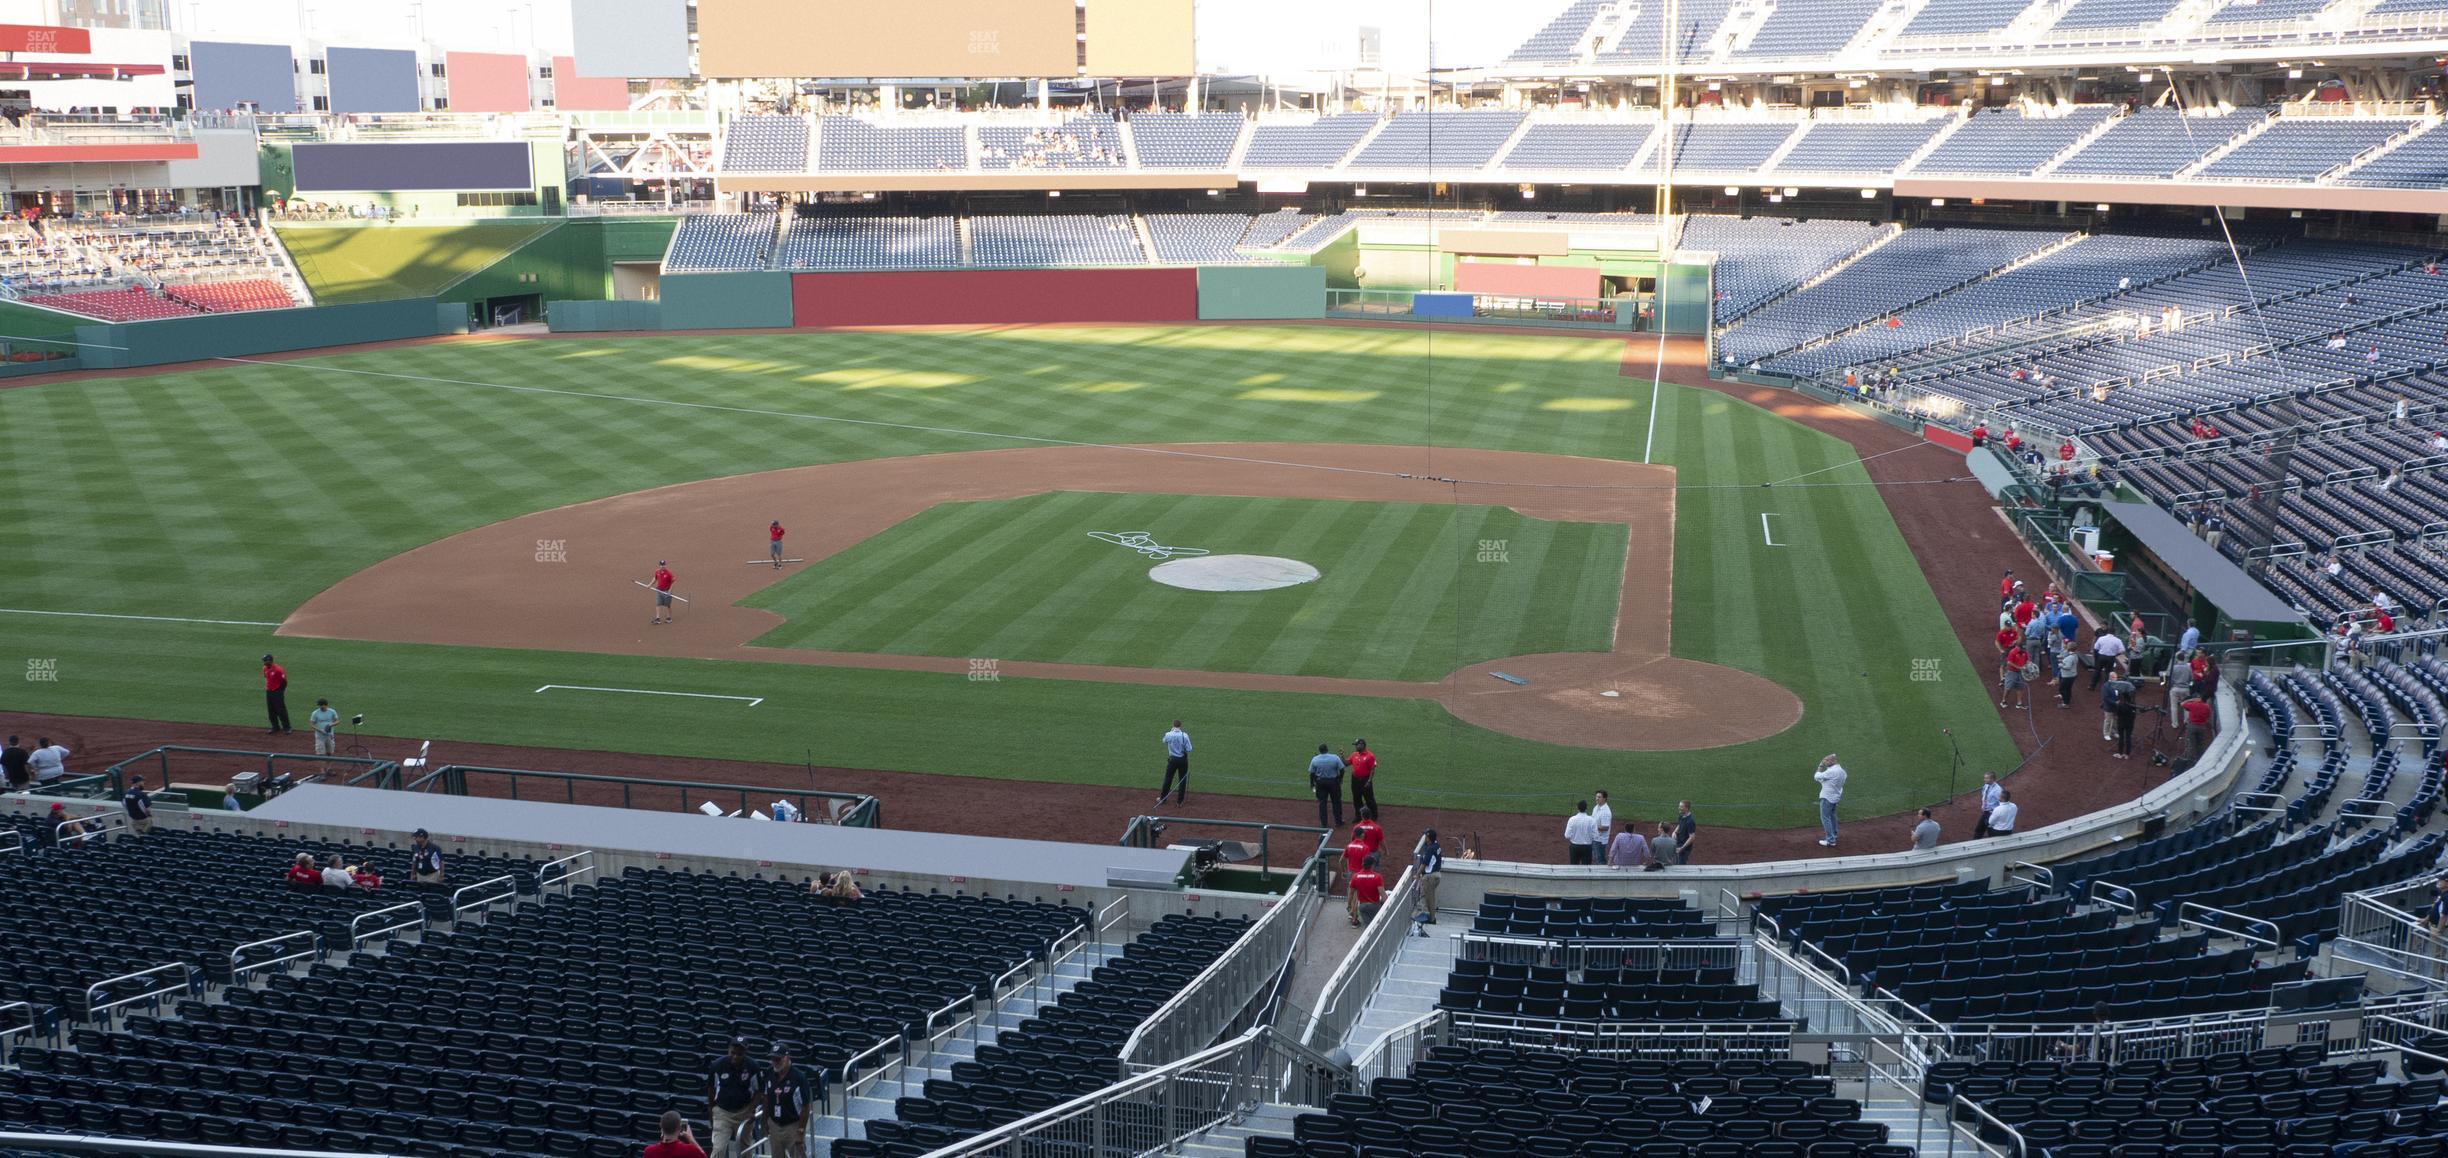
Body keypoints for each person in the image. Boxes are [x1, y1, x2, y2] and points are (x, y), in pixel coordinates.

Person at [706, 1037, 762, 1158]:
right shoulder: (717, 1066)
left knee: (746, 1150)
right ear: (728, 1050)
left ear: (745, 1053)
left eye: (739, 1054)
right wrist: (712, 1107)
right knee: (718, 1149)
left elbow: (759, 1092)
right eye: (733, 1053)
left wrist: (751, 1110)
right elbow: (711, 1088)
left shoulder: (753, 1067)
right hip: (723, 1113)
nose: (735, 1056)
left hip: (744, 1112)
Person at [762, 1045, 817, 1158]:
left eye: (779, 1058)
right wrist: (764, 1121)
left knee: (798, 1155)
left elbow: (806, 1107)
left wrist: (800, 1132)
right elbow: (766, 1098)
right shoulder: (769, 1073)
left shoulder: (798, 1078)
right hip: (774, 1124)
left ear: (787, 1057)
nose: (775, 1062)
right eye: (773, 1059)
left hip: (793, 1125)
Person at [1308, 744, 1347, 829]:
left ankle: (1324, 824)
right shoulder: (1335, 757)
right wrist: (1340, 778)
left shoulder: (1315, 759)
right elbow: (1342, 769)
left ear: (1320, 750)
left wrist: (1312, 783)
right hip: (1333, 782)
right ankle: (1338, 821)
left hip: (1320, 783)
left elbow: (1311, 773)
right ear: (1327, 749)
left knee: (1322, 803)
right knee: (1336, 802)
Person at [1814, 755, 1846, 848]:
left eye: (1826, 761)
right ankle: (1834, 835)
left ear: (1832, 761)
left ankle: (1831, 840)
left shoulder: (1831, 772)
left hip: (1827, 797)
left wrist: (1820, 766)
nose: (1825, 762)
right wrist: (1823, 781)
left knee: (1825, 818)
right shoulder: (1842, 772)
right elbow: (1833, 783)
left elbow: (1816, 776)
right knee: (1832, 817)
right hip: (1835, 797)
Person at [2108, 671, 2142, 760]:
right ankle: (2127, 754)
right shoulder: (2133, 705)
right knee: (2128, 738)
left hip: (2121, 722)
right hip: (2130, 723)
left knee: (2121, 738)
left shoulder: (2121, 704)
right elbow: (2135, 714)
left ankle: (2120, 753)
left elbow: (2117, 713)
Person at [1158, 720, 1191, 806]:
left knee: (1168, 779)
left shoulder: (1168, 734)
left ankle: (1163, 799)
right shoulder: (1184, 735)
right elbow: (1189, 749)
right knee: (1182, 780)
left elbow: (1164, 741)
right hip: (1182, 760)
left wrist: (1170, 731)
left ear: (1173, 725)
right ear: (1180, 726)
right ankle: (1179, 802)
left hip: (1172, 760)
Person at [1414, 828, 1442, 924]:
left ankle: (1430, 918)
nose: (1424, 838)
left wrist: (1417, 874)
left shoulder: (1430, 849)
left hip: (1430, 877)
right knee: (1428, 896)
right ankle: (1427, 916)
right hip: (1435, 875)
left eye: (1426, 836)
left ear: (1429, 838)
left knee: (1428, 897)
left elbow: (1424, 863)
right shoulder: (1436, 845)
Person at [1348, 853, 1384, 927]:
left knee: (1368, 927)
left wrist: (1349, 905)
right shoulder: (1377, 877)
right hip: (1375, 906)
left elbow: (1351, 893)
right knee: (1376, 926)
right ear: (1372, 865)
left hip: (1362, 906)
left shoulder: (1355, 876)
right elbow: (1382, 894)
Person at [262, 653, 291, 734]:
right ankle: (275, 727)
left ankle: (287, 727)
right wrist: (268, 687)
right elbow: (266, 678)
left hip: (277, 692)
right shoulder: (265, 668)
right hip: (269, 692)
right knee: (271, 710)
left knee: (281, 710)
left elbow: (284, 682)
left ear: (269, 661)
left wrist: (280, 691)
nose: (263, 663)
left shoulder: (278, 670)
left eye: (265, 661)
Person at [1347, 739, 1377, 817]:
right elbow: (1346, 763)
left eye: (1357, 745)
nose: (1355, 747)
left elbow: (1372, 769)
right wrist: (1342, 756)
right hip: (1355, 780)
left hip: (1365, 779)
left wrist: (1369, 781)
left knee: (1369, 799)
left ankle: (1374, 815)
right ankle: (1358, 816)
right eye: (1355, 745)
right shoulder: (1354, 754)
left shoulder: (1370, 756)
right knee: (1356, 799)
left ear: (1362, 745)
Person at [2181, 688, 2213, 763]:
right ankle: (2200, 760)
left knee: (2191, 743)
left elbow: (2182, 704)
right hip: (2201, 726)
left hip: (2192, 726)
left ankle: (2189, 760)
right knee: (2201, 744)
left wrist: (2190, 700)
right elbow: (2208, 716)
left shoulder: (2193, 704)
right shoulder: (2207, 707)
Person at [1564, 800, 1598, 864]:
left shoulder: (1572, 819)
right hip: (1587, 848)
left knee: (1574, 868)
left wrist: (1574, 837)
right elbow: (1596, 836)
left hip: (1574, 847)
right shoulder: (1592, 820)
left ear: (1577, 808)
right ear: (1586, 808)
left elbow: (1567, 835)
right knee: (1586, 869)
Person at [2000, 642, 2031, 710]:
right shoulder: (2012, 652)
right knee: (2008, 687)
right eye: (2021, 648)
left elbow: (2027, 660)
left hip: (2021, 672)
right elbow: (2009, 662)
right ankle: (2004, 701)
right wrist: (2019, 667)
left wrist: (2029, 664)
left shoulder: (2024, 652)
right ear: (2017, 647)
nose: (2023, 649)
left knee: (2020, 687)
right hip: (2012, 672)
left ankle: (2019, 703)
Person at [1976, 772, 2003, 838]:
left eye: (1986, 778)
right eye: (1985, 778)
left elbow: (2002, 803)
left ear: (1992, 779)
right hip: (1986, 811)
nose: (1984, 779)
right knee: (1979, 829)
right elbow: (1984, 794)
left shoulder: (1998, 790)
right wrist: (1983, 805)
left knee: (1990, 831)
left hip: (1992, 813)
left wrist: (1997, 814)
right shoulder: (1986, 785)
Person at [651, 561, 676, 625]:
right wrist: (650, 584)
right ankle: (658, 619)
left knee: (667, 605)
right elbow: (655, 578)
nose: (662, 566)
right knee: (658, 604)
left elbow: (673, 582)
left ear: (665, 565)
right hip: (659, 590)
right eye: (661, 565)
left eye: (664, 565)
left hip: (666, 591)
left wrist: (670, 591)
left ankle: (669, 618)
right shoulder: (657, 572)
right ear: (659, 565)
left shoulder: (669, 573)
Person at [2055, 644, 2080, 708]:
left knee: (2062, 689)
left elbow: (2068, 667)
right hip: (2071, 675)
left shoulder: (2070, 657)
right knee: (2068, 688)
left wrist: (2061, 665)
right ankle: (2067, 700)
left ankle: (2065, 703)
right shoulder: (2074, 655)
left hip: (2067, 676)